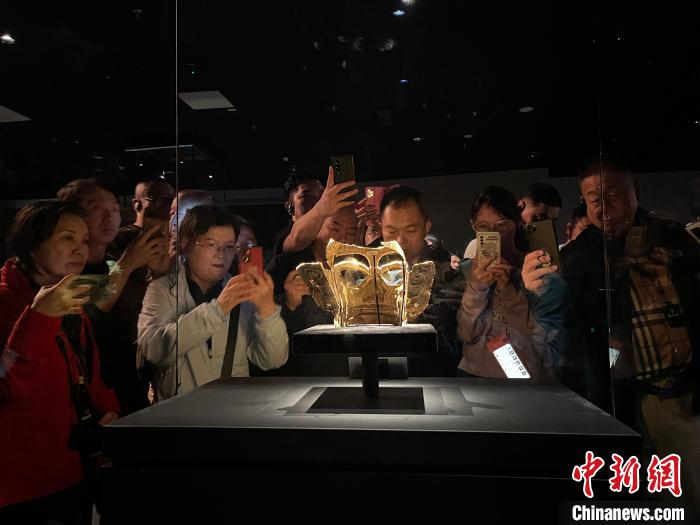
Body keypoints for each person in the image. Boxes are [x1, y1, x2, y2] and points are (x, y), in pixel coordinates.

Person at [560, 156, 700, 506]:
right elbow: (568, 324)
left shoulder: (673, 238)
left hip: (679, 392)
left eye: (613, 194)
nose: (604, 207)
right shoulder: (579, 255)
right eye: (593, 199)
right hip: (616, 396)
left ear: (635, 190)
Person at [0, 201, 119, 523]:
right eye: (67, 237)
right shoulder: (7, 302)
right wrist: (39, 317)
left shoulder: (68, 298)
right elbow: (8, 384)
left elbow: (86, 373)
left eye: (84, 240)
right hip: (20, 488)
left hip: (73, 472)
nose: (80, 249)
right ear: (31, 245)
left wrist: (107, 409)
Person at [137, 205, 288, 400]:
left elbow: (272, 360)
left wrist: (267, 310)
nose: (221, 253)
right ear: (186, 244)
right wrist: (219, 309)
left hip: (231, 410)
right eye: (210, 244)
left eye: (229, 247)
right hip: (179, 412)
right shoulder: (162, 289)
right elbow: (154, 350)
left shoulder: (243, 292)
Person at [58, 178, 166, 414]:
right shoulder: (62, 271)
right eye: (96, 208)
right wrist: (127, 264)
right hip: (88, 399)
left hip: (126, 388)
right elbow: (86, 319)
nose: (109, 217)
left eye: (115, 209)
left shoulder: (111, 262)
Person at [457, 186, 566, 379]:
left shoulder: (535, 271)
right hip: (473, 376)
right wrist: (476, 288)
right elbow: (465, 334)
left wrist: (509, 291)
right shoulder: (466, 271)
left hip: (523, 380)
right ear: (473, 226)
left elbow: (546, 345)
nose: (493, 233)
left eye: (502, 224)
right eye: (483, 226)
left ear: (516, 224)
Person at [378, 186, 467, 373]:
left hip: (434, 378)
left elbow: (452, 332)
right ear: (381, 227)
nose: (400, 240)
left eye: (410, 230)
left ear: (426, 227)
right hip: (377, 375)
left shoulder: (448, 271)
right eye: (391, 231)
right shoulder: (368, 270)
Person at [265, 205, 358, 374]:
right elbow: (263, 332)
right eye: (335, 229)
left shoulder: (360, 271)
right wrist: (289, 304)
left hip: (352, 373)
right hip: (299, 375)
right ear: (315, 227)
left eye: (351, 232)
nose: (344, 238)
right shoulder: (285, 266)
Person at [273, 167, 357, 255]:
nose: (317, 202)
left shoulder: (328, 229)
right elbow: (297, 239)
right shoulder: (286, 236)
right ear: (289, 206)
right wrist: (321, 209)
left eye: (321, 196)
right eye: (306, 196)